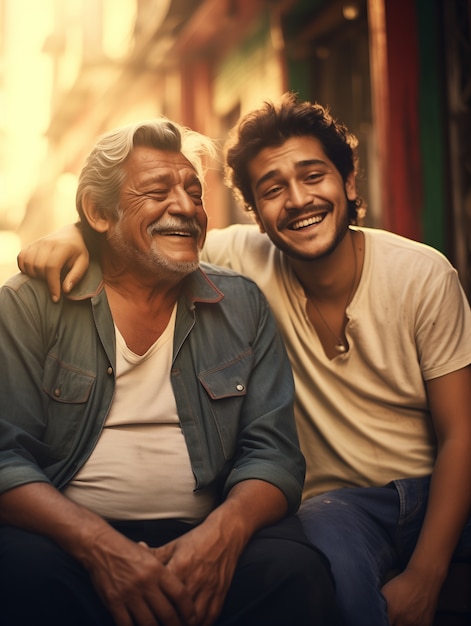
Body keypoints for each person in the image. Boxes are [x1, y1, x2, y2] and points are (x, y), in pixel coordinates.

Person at [16, 93, 471, 626]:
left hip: (430, 487)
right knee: (331, 578)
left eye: (315, 176)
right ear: (255, 215)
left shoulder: (420, 274)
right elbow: (146, 236)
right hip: (337, 507)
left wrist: (425, 575)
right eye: (273, 190)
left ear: (349, 183)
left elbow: (460, 434)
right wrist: (76, 233)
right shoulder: (242, 260)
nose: (299, 200)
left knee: (299, 570)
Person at [0, 117, 340, 626]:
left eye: (194, 192)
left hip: (205, 528)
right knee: (17, 574)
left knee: (296, 572)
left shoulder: (241, 302)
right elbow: (6, 457)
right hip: (69, 538)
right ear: (98, 212)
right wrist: (99, 548)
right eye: (158, 191)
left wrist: (221, 537)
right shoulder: (30, 304)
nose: (185, 207)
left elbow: (273, 455)